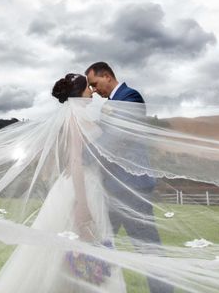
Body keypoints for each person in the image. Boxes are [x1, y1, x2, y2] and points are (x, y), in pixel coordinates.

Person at [0, 73, 126, 293]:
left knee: (74, 252)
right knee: (73, 248)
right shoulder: (75, 118)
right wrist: (81, 205)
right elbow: (76, 160)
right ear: (80, 93)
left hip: (87, 184)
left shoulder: (80, 116)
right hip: (82, 188)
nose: (91, 91)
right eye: (88, 88)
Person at [85, 62, 172, 293]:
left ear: (107, 76)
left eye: (95, 84)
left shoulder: (130, 97)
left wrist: (83, 155)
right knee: (98, 247)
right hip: (112, 189)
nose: (94, 91)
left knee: (149, 251)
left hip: (132, 189)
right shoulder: (112, 103)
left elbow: (116, 138)